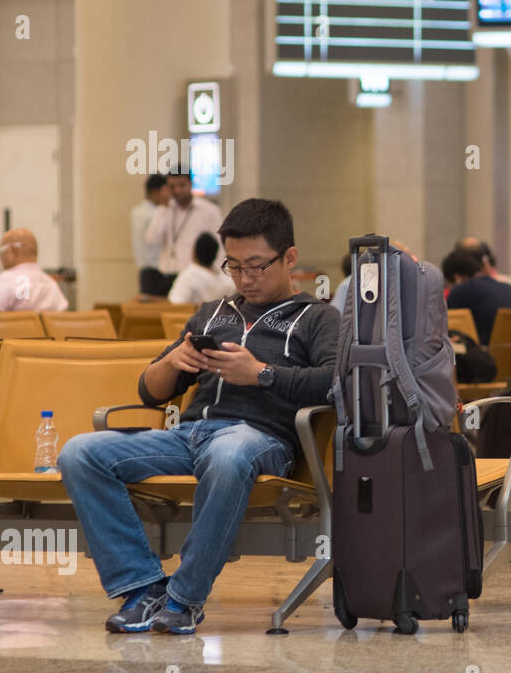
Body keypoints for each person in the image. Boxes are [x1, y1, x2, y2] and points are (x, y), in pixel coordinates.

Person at [58, 199, 340, 635]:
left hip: (261, 439)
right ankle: (143, 586)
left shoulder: (318, 317)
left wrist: (261, 374)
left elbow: (334, 383)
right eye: (234, 266)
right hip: (188, 435)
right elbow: (148, 391)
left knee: (228, 455)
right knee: (81, 452)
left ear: (290, 257)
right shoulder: (213, 313)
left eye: (257, 266)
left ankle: (184, 598)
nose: (245, 278)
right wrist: (174, 362)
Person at [144, 171, 223, 292]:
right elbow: (152, 239)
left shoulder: (209, 210)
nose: (177, 191)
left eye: (181, 185)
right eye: (172, 187)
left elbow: (220, 244)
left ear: (190, 184)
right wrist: (164, 208)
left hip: (195, 277)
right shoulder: (164, 209)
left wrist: (215, 276)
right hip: (167, 275)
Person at [0, 228, 67, 312]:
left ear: (12, 252)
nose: (1, 257)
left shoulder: (4, 282)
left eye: (1, 252)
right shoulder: (51, 285)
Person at [444, 248, 511, 344]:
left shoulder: (461, 291)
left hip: (488, 352)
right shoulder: (509, 288)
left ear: (457, 278)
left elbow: (446, 323)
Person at [168, 232, 236, 305]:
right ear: (215, 255)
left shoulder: (189, 276)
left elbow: (175, 304)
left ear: (194, 252)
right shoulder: (226, 277)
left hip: (192, 315)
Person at [131, 174, 170, 296]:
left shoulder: (136, 212)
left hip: (144, 272)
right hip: (158, 271)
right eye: (167, 190)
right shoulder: (156, 214)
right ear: (155, 192)